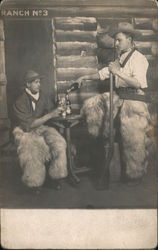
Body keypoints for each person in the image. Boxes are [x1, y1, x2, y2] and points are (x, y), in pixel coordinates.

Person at [75, 22, 151, 186]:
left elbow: (138, 83)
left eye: (119, 40)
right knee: (93, 105)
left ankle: (135, 174)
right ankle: (100, 145)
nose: (116, 44)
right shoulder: (119, 57)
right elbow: (103, 73)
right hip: (119, 97)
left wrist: (117, 72)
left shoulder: (139, 59)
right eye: (115, 40)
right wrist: (85, 77)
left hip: (134, 100)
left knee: (133, 140)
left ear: (129, 39)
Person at [13, 70, 68, 193]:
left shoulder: (42, 96)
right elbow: (29, 125)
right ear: (28, 84)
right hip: (25, 131)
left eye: (39, 82)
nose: (39, 85)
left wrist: (59, 110)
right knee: (33, 147)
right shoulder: (19, 101)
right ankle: (34, 183)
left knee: (59, 142)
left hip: (42, 128)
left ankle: (55, 176)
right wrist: (50, 115)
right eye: (36, 82)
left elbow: (51, 112)